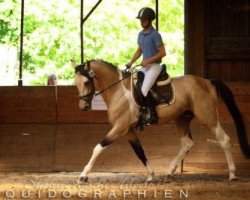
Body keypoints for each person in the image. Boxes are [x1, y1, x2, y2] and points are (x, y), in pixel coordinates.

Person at [126, 7, 166, 125]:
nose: (141, 22)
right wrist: (131, 62)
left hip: (154, 67)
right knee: (133, 84)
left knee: (144, 89)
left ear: (150, 20)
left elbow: (162, 52)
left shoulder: (155, 35)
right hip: (145, 68)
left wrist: (148, 60)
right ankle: (141, 110)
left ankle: (153, 115)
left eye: (143, 20)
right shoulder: (141, 34)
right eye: (140, 20)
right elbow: (139, 50)